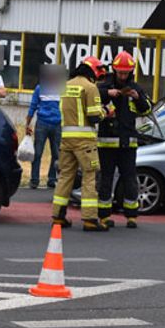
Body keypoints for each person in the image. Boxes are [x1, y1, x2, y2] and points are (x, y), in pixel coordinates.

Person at [96, 51, 152, 228]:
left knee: (130, 178)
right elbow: (94, 97)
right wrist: (108, 93)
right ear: (114, 70)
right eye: (119, 72)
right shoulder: (103, 86)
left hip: (128, 143)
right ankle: (104, 215)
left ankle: (131, 216)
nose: (122, 75)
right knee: (106, 178)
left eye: (125, 72)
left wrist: (138, 98)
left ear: (131, 72)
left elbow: (147, 109)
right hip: (106, 141)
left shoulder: (136, 88)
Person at [54, 56, 110, 231]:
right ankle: (89, 219)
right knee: (90, 177)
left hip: (66, 140)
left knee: (65, 177)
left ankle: (58, 217)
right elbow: (94, 116)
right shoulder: (90, 87)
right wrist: (106, 111)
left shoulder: (66, 85)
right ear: (93, 71)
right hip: (84, 142)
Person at [25, 64, 64, 190]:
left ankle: (51, 180)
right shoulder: (39, 88)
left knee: (56, 154)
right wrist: (28, 124)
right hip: (43, 123)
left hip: (55, 123)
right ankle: (35, 180)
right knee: (38, 153)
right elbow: (33, 106)